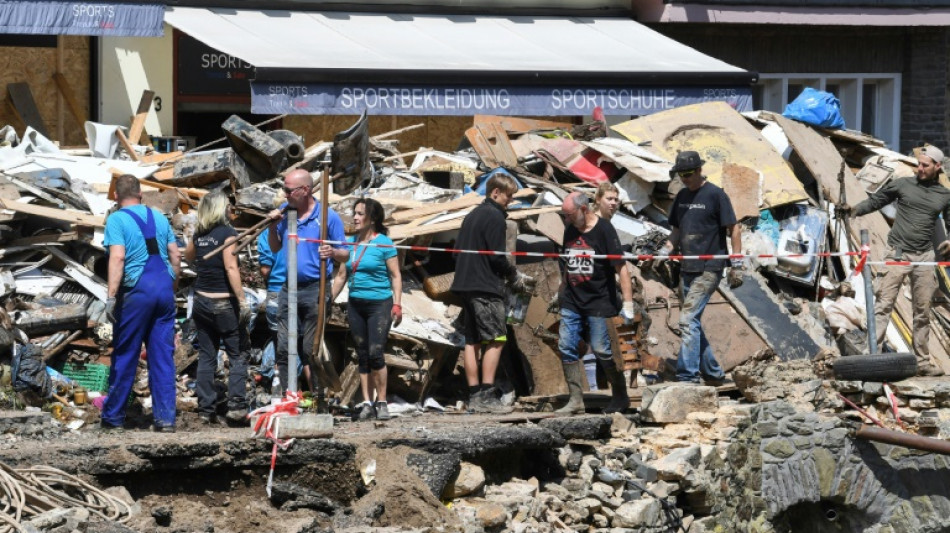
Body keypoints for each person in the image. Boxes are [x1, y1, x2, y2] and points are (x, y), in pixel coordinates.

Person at [837, 144, 950, 376]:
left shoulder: (944, 195)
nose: (920, 168)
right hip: (898, 253)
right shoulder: (903, 184)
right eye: (919, 164)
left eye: (925, 165)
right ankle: (872, 355)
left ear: (937, 167)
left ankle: (923, 363)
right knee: (883, 305)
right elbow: (876, 201)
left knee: (922, 311)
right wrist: (853, 210)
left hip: (924, 257)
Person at [450, 173, 534, 413]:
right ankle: (486, 395)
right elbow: (496, 257)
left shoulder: (472, 215)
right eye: (509, 196)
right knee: (497, 338)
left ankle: (474, 394)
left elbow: (455, 253)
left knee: (472, 341)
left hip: (465, 286)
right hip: (484, 287)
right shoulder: (495, 217)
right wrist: (513, 274)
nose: (510, 201)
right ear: (495, 192)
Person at [102, 174, 180, 432]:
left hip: (136, 292)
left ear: (116, 196)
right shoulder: (160, 217)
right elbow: (175, 255)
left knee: (126, 353)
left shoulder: (116, 220)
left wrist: (111, 296)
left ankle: (113, 417)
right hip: (163, 289)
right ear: (140, 194)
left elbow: (118, 257)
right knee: (163, 356)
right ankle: (165, 419)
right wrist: (172, 287)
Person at [660, 151, 743, 385]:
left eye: (688, 174)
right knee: (692, 322)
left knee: (687, 320)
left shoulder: (716, 195)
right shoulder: (681, 196)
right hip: (687, 267)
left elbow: (734, 228)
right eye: (680, 175)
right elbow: (676, 232)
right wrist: (664, 251)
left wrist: (736, 263)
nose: (684, 179)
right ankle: (713, 373)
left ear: (699, 170)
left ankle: (688, 376)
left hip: (709, 267)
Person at [267, 169, 350, 397]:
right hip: (289, 288)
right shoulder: (286, 213)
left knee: (310, 348)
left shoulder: (327, 217)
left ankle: (317, 395)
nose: (285, 195)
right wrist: (272, 226)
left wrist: (332, 252)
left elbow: (345, 254)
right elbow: (275, 247)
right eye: (284, 189)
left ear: (305, 190)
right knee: (284, 346)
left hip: (315, 288)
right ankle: (288, 395)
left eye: (289, 190)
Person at [556, 191, 636, 414]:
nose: (567, 219)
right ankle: (576, 400)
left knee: (601, 349)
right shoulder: (570, 229)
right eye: (564, 215)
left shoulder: (604, 230)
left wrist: (628, 304)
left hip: (599, 300)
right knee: (566, 345)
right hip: (572, 299)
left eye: (570, 214)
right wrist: (561, 291)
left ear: (584, 209)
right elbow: (568, 263)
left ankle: (620, 395)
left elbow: (621, 268)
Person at [331, 198, 402, 421]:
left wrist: (397, 304)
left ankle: (382, 402)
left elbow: (396, 276)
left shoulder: (384, 243)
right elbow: (341, 276)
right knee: (362, 354)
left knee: (375, 353)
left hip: (379, 304)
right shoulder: (350, 244)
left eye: (360, 214)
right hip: (356, 304)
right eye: (355, 213)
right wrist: (328, 300)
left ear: (372, 218)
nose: (355, 217)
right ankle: (367, 402)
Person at [183, 192, 250, 425]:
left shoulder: (200, 234)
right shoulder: (228, 233)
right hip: (224, 303)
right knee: (238, 353)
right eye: (228, 206)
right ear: (220, 209)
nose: (231, 210)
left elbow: (188, 256)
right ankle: (237, 407)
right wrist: (242, 301)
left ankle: (206, 409)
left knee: (207, 355)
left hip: (202, 301)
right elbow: (231, 268)